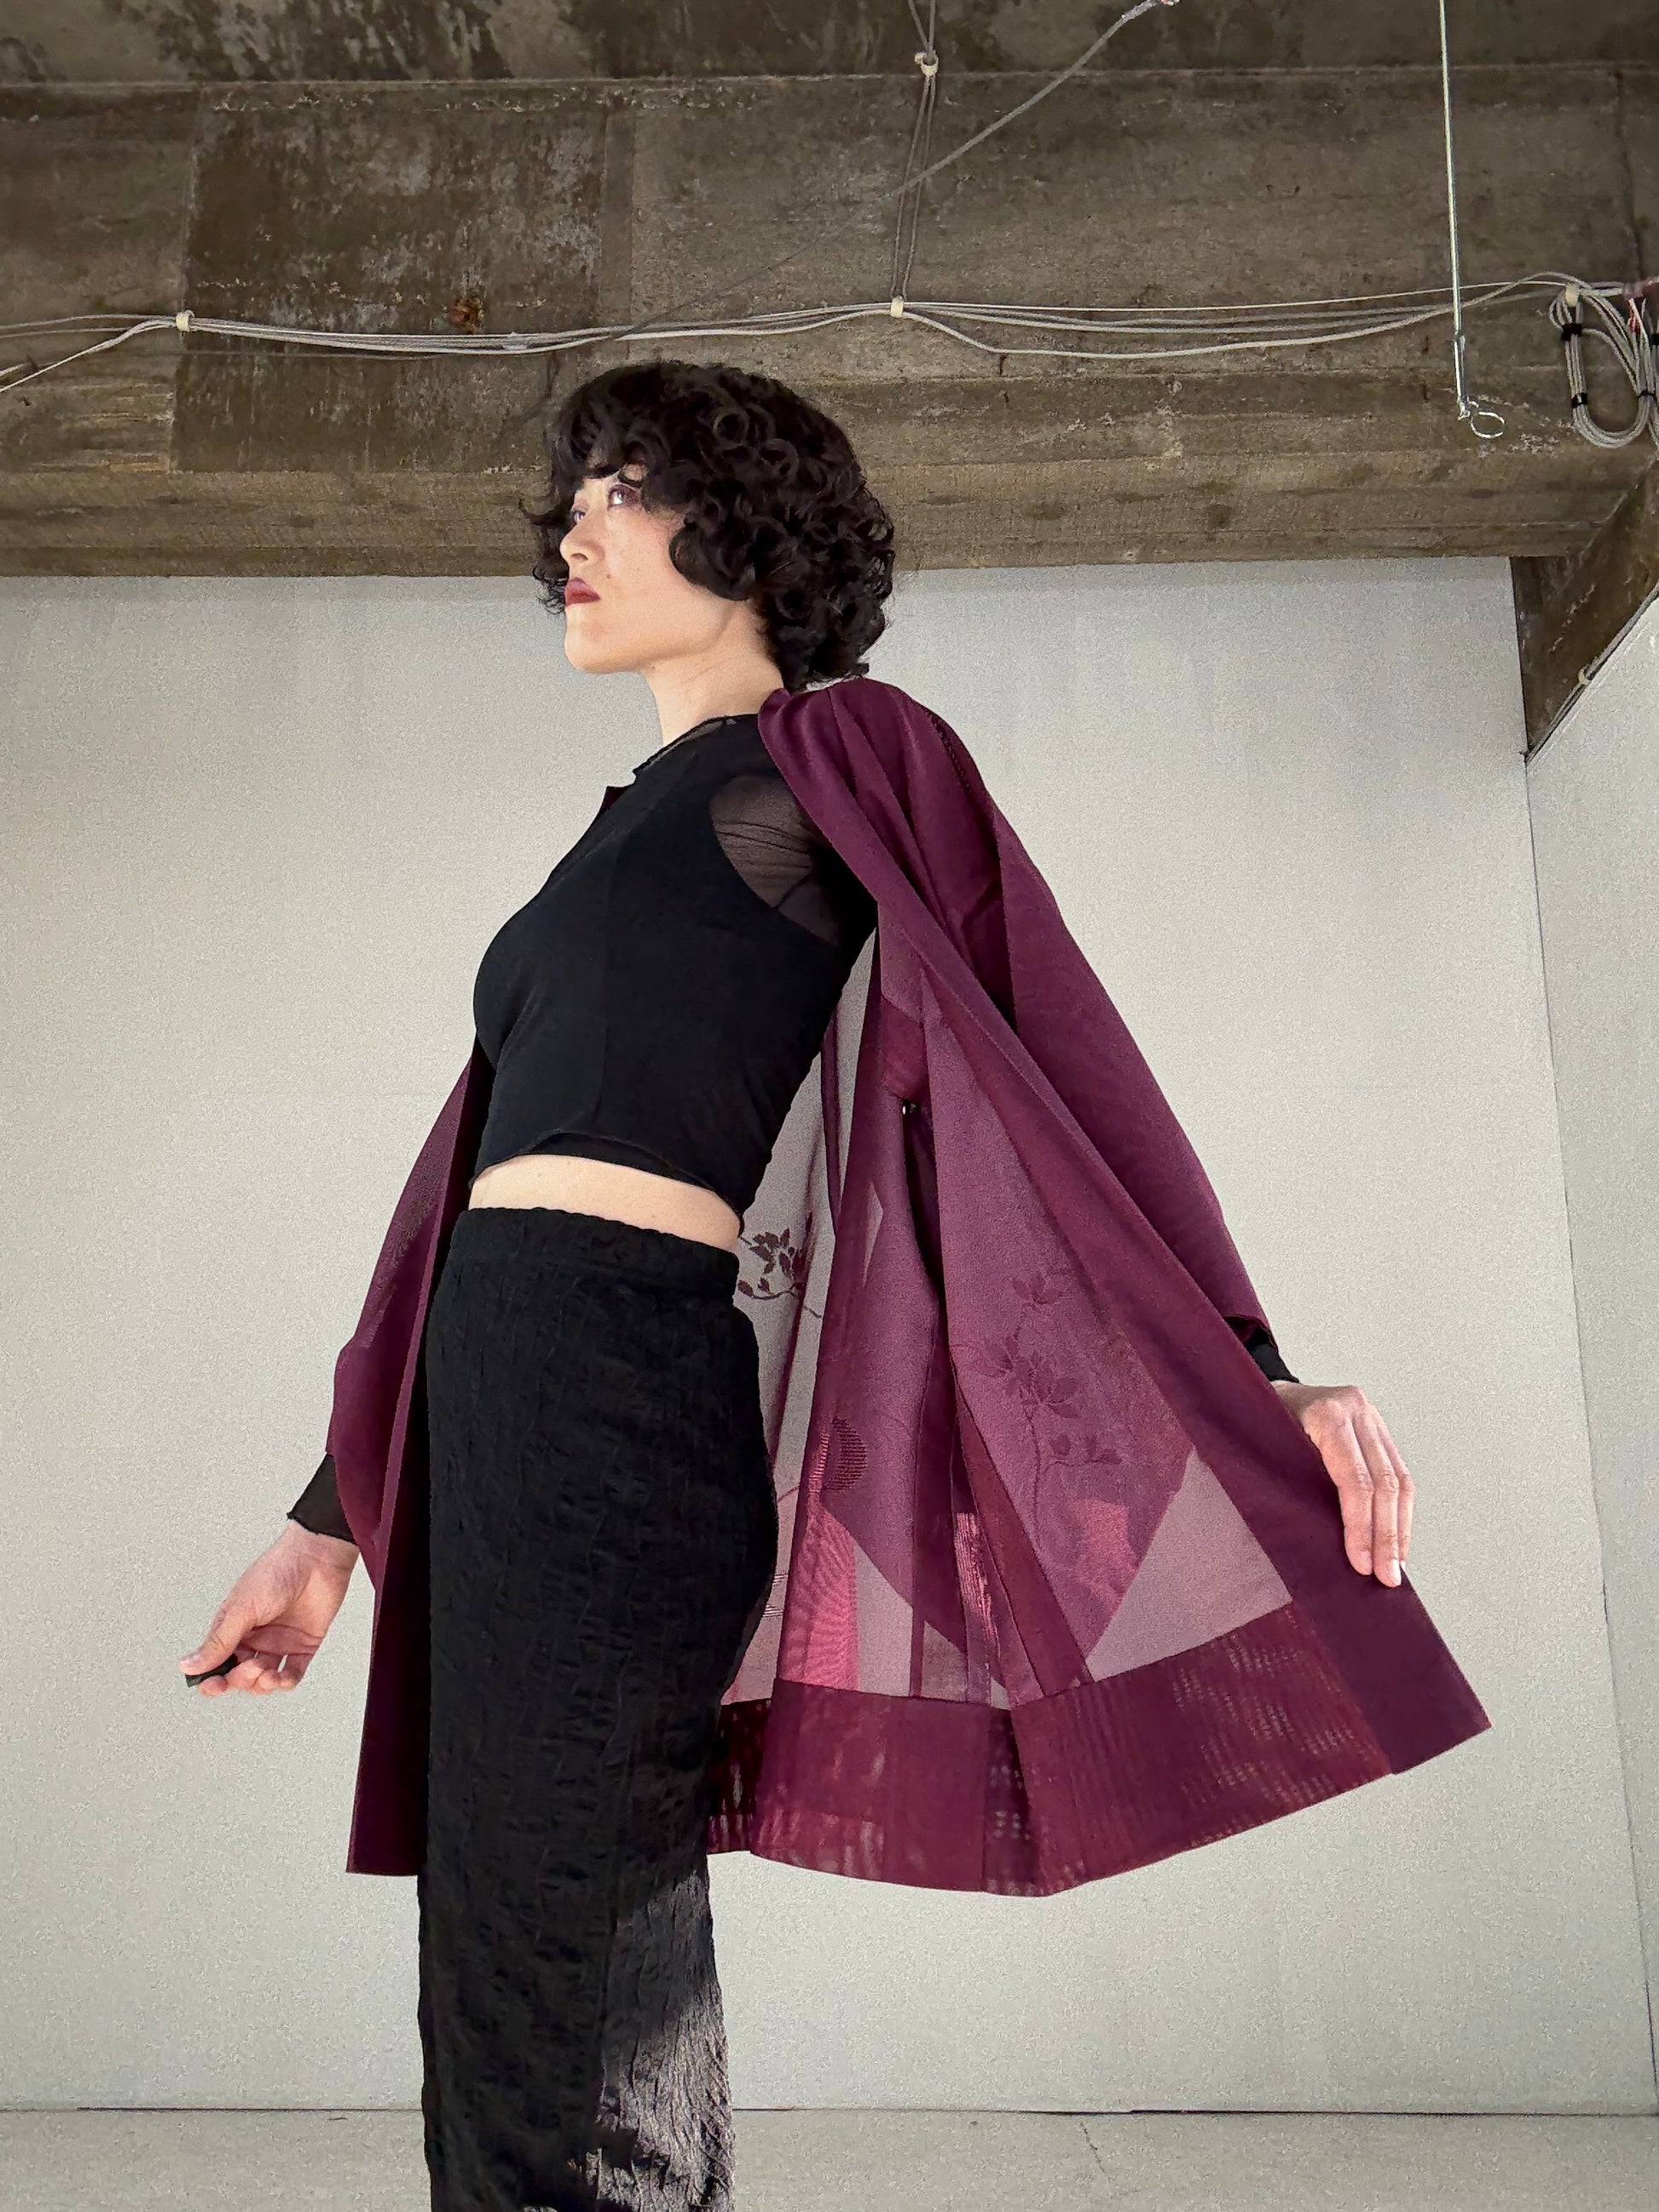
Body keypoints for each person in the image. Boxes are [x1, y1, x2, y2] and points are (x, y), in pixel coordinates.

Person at [178, 360, 1308, 2212]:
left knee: (576, 1896)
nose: (575, 529)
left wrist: (1248, 1364)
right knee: (501, 1913)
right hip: (496, 1381)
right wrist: (327, 1522)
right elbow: (461, 1187)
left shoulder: (837, 752)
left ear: (752, 528)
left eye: (623, 486)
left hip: (623, 1378)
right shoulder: (614, 830)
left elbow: (1048, 1033)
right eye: (570, 497)